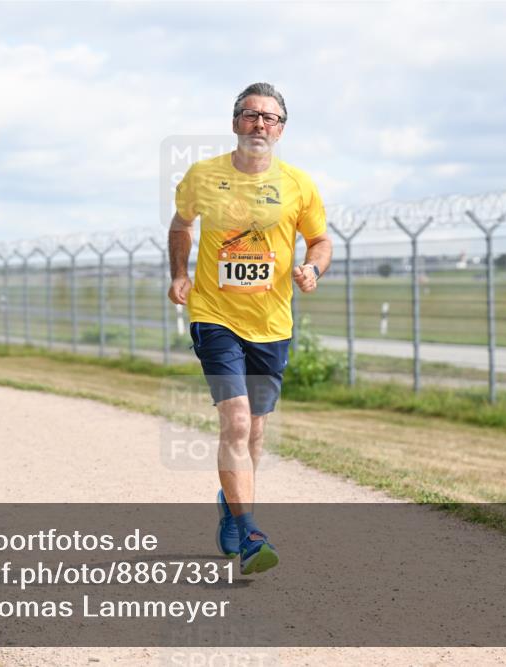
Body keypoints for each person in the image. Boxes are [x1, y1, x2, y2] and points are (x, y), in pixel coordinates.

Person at [167, 83, 332, 575]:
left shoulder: (299, 184)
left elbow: (320, 240)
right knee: (236, 422)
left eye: (270, 117)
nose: (260, 123)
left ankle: (232, 507)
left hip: (272, 323)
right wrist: (179, 273)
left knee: (256, 430)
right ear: (235, 121)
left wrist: (313, 268)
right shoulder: (203, 175)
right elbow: (181, 224)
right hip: (214, 314)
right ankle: (251, 534)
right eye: (250, 114)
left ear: (281, 129)